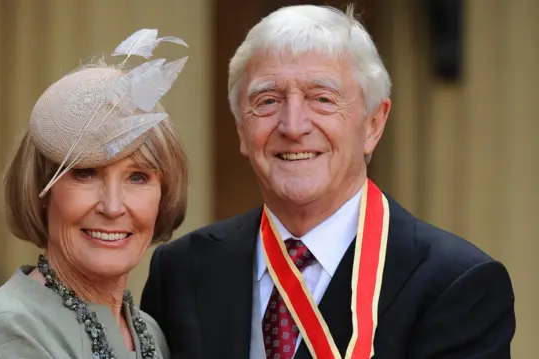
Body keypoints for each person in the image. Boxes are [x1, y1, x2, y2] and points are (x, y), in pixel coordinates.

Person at [140, 5, 516, 359]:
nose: (293, 126)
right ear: (242, 128)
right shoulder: (181, 273)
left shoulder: (457, 285)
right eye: (268, 101)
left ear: (373, 124)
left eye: (322, 99)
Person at [0, 29, 190, 359]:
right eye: (85, 173)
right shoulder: (0, 329)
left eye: (137, 177)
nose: (113, 206)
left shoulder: (150, 333)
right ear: (41, 190)